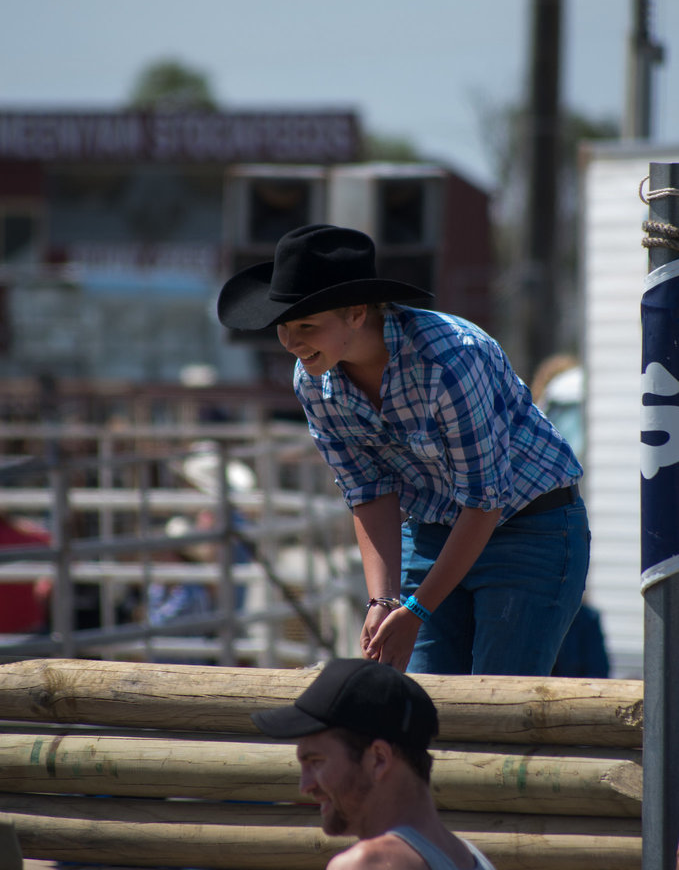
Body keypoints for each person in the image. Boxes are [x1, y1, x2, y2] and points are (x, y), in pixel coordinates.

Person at [217, 224, 590, 675]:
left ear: (356, 313)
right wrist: (383, 600)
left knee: (498, 704)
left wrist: (416, 611)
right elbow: (367, 491)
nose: (292, 343)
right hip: (437, 527)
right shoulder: (313, 380)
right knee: (412, 704)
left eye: (307, 326)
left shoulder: (450, 359)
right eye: (284, 327)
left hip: (530, 528)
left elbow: (484, 501)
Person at [251, 657, 497, 870]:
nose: (305, 786)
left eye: (316, 761)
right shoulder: (472, 858)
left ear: (379, 759)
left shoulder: (367, 864)